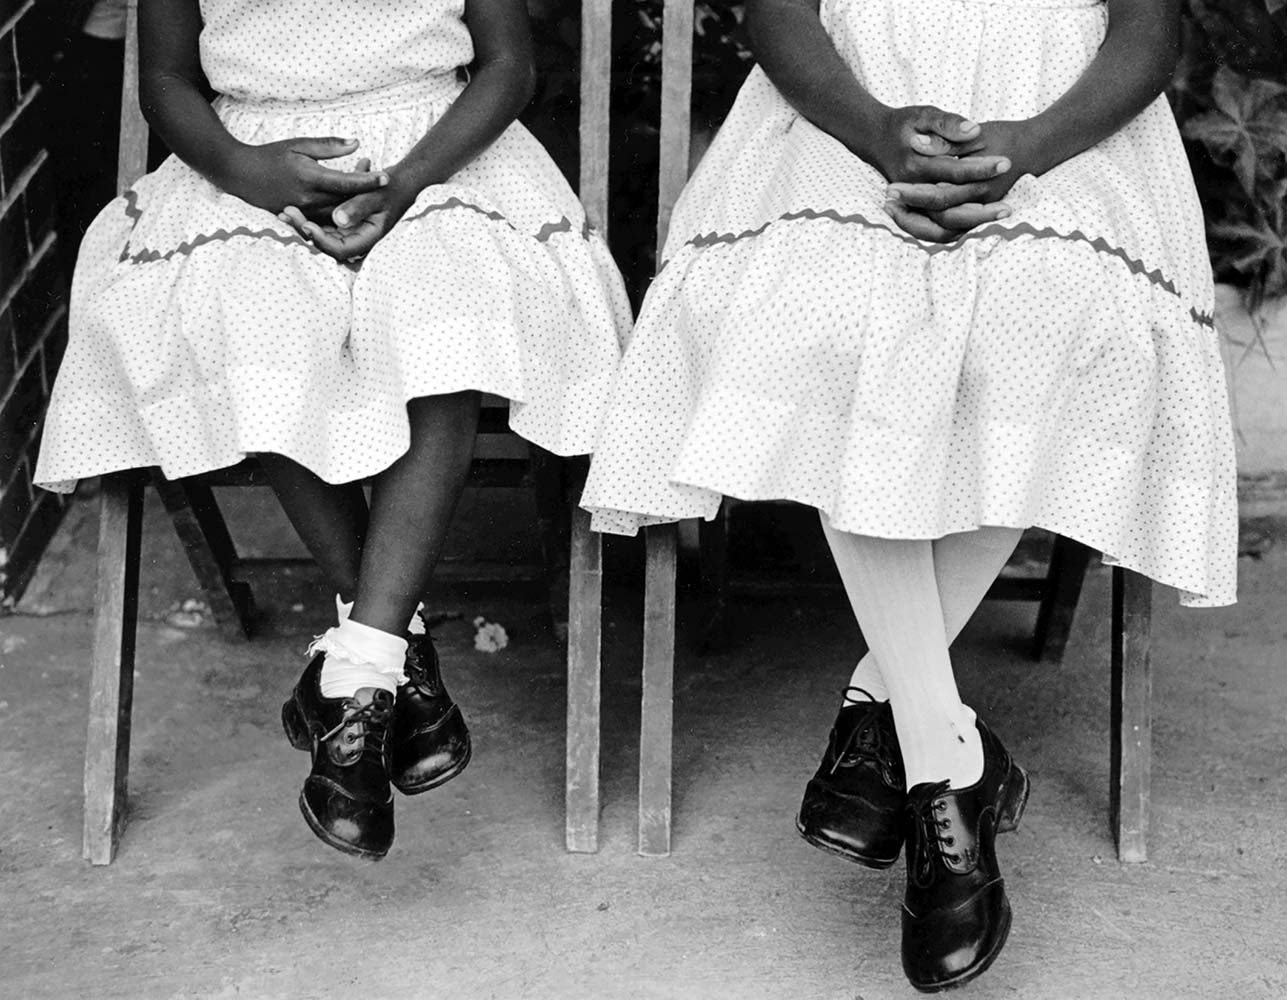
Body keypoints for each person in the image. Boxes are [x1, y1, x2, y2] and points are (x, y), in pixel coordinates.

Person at [580, 0, 1235, 990]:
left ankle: (892, 718)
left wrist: (1026, 149)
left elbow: (1148, 32)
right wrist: (878, 130)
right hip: (850, 110)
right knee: (829, 321)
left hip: (1062, 129)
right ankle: (948, 766)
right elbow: (779, 11)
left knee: (1054, 324)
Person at [35, 0, 630, 861]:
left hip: (440, 155)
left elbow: (507, 64)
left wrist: (410, 180)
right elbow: (165, 80)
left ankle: (356, 672)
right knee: (246, 309)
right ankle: (383, 664)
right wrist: (247, 173)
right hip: (248, 160)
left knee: (446, 317)